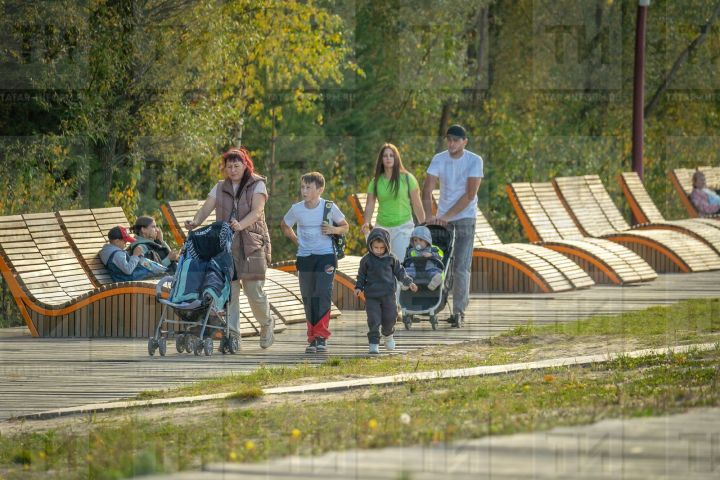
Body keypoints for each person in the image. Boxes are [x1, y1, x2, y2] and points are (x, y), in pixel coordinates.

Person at [185, 147, 275, 350]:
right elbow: (206, 208)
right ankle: (233, 337)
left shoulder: (257, 184)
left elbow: (258, 211)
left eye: (237, 165)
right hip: (226, 247)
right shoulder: (219, 187)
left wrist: (241, 225)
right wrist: (196, 222)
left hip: (252, 245)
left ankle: (267, 323)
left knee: (254, 292)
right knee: (231, 294)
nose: (233, 170)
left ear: (245, 165)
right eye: (229, 166)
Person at [281, 172, 350, 354]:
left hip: (326, 257)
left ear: (320, 189)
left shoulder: (329, 206)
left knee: (322, 293)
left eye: (308, 187)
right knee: (308, 296)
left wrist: (334, 229)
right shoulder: (297, 209)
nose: (304, 191)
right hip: (305, 258)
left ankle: (321, 337)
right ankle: (312, 338)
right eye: (302, 187)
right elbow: (284, 225)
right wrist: (297, 240)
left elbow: (346, 226)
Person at [422, 124, 483, 327]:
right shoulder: (439, 159)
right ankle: (435, 306)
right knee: (440, 263)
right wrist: (429, 216)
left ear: (465, 142)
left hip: (465, 217)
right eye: (449, 139)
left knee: (461, 267)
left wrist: (447, 216)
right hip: (442, 220)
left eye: (456, 140)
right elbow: (427, 189)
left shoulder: (474, 161)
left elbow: (470, 194)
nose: (451, 143)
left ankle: (458, 311)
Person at [354, 227, 416, 354]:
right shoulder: (366, 260)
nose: (378, 250)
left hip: (388, 295)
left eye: (382, 248)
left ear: (386, 246)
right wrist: (358, 287)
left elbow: (400, 272)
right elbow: (361, 276)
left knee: (390, 318)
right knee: (374, 319)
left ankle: (388, 335)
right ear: (370, 245)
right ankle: (373, 343)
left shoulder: (391, 259)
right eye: (376, 248)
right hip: (372, 296)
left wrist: (409, 282)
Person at [361, 143, 425, 259]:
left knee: (399, 263)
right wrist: (366, 222)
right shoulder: (375, 182)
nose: (388, 158)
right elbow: (370, 204)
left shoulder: (407, 178)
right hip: (382, 228)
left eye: (391, 155)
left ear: (396, 158)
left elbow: (417, 204)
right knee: (382, 265)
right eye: (385, 156)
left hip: (403, 228)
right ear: (381, 159)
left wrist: (424, 226)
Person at [99, 226, 166, 282]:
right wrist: (135, 255)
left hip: (124, 277)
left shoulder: (107, 250)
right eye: (125, 241)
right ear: (117, 241)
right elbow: (128, 270)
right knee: (154, 272)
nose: (126, 244)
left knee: (147, 264)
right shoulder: (118, 254)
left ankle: (162, 270)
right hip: (128, 280)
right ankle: (163, 271)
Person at [403, 225, 443, 291]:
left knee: (437, 272)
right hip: (414, 269)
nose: (417, 242)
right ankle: (406, 283)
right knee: (406, 272)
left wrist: (431, 255)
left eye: (420, 240)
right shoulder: (412, 251)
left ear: (427, 241)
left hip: (429, 269)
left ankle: (434, 283)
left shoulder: (433, 249)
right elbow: (407, 261)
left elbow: (441, 256)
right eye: (415, 240)